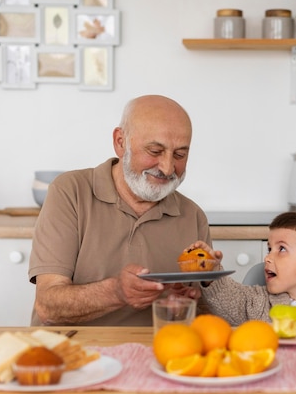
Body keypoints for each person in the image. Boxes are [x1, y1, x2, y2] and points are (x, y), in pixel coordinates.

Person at [29, 95, 211, 326]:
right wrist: (116, 292)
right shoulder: (70, 192)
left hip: (157, 352)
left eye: (179, 155)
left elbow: (204, 321)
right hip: (74, 351)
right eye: (155, 151)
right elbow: (47, 306)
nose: (167, 168)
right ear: (120, 142)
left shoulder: (193, 216)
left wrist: (190, 303)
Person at [190, 212, 296, 328]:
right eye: (269, 249)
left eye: (281, 249)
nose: (267, 258)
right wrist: (211, 271)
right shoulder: (259, 302)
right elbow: (229, 299)